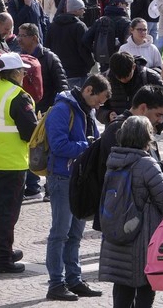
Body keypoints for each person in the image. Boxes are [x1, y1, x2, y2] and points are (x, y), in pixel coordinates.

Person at [44, 75, 108, 301]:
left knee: (75, 234)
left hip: (79, 179)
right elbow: (59, 145)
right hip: (62, 178)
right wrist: (89, 145)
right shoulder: (63, 109)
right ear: (88, 90)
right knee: (60, 234)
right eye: (97, 101)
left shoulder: (85, 109)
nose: (98, 106)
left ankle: (74, 279)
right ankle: (55, 283)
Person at [98, 115, 163, 308]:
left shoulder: (113, 160)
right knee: (145, 288)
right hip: (142, 237)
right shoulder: (146, 164)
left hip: (117, 234)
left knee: (122, 290)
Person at [0, 52, 39, 274]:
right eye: (22, 71)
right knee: (7, 213)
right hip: (11, 161)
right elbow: (30, 132)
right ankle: (2, 258)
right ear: (15, 73)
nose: (24, 74)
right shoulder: (19, 96)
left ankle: (3, 250)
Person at [46, 0, 95, 89]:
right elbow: (84, 49)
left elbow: (48, 47)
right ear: (76, 10)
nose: (84, 11)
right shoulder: (79, 26)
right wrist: (90, 63)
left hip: (59, 73)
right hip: (78, 72)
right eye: (82, 9)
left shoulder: (53, 25)